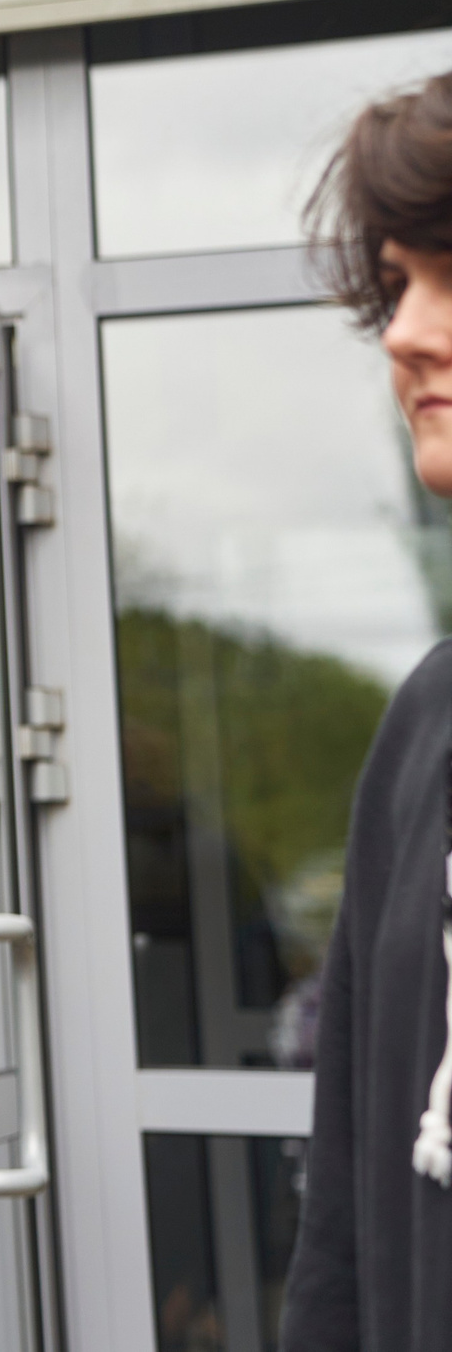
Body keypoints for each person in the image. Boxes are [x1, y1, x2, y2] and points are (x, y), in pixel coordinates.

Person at [282, 73, 452, 1350]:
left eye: (450, 276)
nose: (403, 332)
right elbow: (346, 1199)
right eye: (397, 284)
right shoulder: (425, 727)